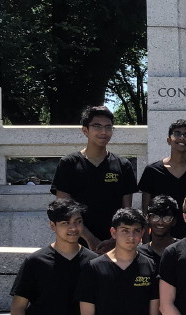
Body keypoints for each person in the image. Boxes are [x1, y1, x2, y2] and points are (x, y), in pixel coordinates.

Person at [51, 105, 137, 252]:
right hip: (76, 243)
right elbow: (63, 208)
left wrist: (114, 238)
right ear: (85, 130)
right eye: (97, 126)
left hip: (114, 244)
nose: (103, 132)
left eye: (108, 127)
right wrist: (89, 238)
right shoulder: (69, 163)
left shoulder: (123, 165)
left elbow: (126, 210)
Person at [137, 119, 186, 239]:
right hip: (159, 240)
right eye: (177, 133)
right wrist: (146, 239)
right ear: (169, 140)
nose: (181, 138)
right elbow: (145, 211)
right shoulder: (152, 171)